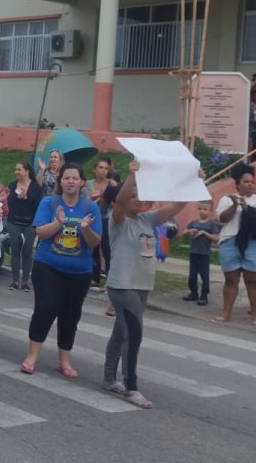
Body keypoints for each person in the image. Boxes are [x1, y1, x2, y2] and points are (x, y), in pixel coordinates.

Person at [103, 160, 187, 409]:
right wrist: (131, 174)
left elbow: (176, 207)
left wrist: (192, 182)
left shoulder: (147, 219)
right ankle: (132, 387)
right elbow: (119, 202)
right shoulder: (118, 220)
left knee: (121, 332)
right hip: (123, 285)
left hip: (142, 286)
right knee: (134, 335)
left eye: (141, 194)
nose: (139, 199)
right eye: (135, 195)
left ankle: (109, 378)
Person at [20, 163, 102, 377]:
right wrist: (58, 222)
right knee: (46, 309)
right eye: (67, 178)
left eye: (75, 178)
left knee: (71, 315)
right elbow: (41, 232)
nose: (71, 182)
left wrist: (85, 229)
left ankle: (64, 361)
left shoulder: (90, 208)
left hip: (80, 271)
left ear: (82, 182)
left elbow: (95, 243)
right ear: (60, 181)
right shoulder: (49, 202)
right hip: (48, 266)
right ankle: (32, 356)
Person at [213, 163, 256, 327]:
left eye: (252, 182)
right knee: (231, 280)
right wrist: (235, 205)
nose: (250, 185)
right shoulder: (227, 198)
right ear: (238, 183)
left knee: (253, 281)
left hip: (253, 243)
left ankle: (255, 316)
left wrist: (246, 208)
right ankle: (226, 313)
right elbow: (222, 219)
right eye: (246, 182)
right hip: (230, 240)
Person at [7, 162, 40, 291]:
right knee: (15, 250)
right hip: (14, 222)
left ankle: (25, 281)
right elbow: (9, 202)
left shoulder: (35, 187)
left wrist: (26, 197)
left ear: (27, 171)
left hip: (30, 224)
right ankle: (15, 280)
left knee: (27, 251)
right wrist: (17, 197)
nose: (17, 172)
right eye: (16, 169)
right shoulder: (12, 185)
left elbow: (38, 204)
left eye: (19, 169)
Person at [86, 157, 117, 289]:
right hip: (93, 218)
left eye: (106, 168)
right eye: (100, 168)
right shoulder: (89, 184)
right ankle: (95, 276)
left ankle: (109, 280)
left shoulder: (112, 184)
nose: (103, 171)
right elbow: (84, 201)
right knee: (93, 248)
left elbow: (117, 202)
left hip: (107, 219)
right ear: (95, 169)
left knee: (107, 249)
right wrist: (91, 198)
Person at [182, 200, 219, 306]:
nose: (202, 211)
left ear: (210, 211)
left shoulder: (211, 225)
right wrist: (190, 231)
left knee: (204, 275)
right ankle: (193, 293)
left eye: (205, 209)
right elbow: (183, 232)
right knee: (192, 275)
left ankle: (204, 295)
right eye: (200, 209)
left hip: (204, 254)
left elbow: (216, 238)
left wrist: (204, 233)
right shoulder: (194, 223)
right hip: (193, 252)